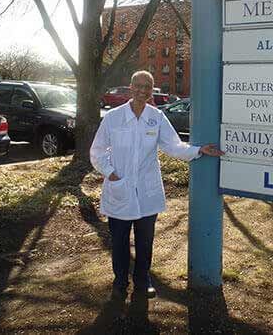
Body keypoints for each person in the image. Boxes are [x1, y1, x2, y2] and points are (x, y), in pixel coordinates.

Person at [90, 70, 224, 300]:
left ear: (152, 90)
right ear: (130, 87)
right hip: (119, 190)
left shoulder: (157, 117)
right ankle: (120, 282)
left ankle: (143, 282)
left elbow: (173, 146)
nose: (142, 91)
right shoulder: (113, 118)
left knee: (145, 243)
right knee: (120, 242)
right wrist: (111, 174)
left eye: (147, 87)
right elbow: (97, 151)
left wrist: (198, 150)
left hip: (146, 192)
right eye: (138, 86)